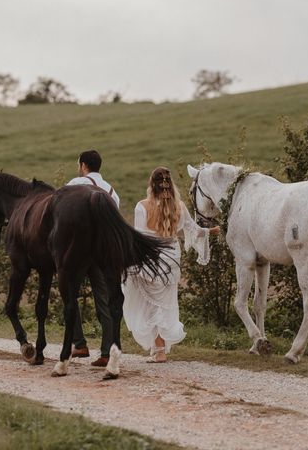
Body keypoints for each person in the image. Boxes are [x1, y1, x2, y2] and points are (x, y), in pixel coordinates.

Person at [122, 167, 219, 362]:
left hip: (150, 259)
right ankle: (158, 348)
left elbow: (140, 238)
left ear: (152, 184)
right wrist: (210, 231)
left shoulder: (142, 206)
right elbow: (193, 230)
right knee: (165, 304)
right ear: (170, 184)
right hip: (172, 258)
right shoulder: (179, 206)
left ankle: (158, 350)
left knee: (151, 303)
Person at [66, 150, 121, 367]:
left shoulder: (75, 183)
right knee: (104, 300)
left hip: (78, 251)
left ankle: (79, 343)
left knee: (69, 295)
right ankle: (106, 351)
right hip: (103, 251)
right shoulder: (111, 191)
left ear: (83, 165)